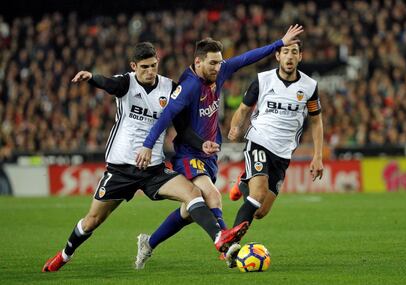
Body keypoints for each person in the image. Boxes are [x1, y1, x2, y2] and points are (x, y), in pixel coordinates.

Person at [42, 42, 249, 272]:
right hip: (121, 169)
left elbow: (183, 129)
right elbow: (109, 83)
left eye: (153, 66)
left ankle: (220, 238)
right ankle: (64, 255)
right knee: (92, 220)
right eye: (144, 67)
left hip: (153, 170)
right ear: (134, 66)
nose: (150, 71)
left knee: (193, 193)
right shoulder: (126, 82)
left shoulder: (170, 88)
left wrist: (202, 144)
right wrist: (91, 77)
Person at [134, 25, 304, 269]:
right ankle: (228, 248)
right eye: (212, 63)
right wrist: (147, 145)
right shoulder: (189, 86)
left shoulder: (219, 72)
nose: (217, 68)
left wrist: (279, 42)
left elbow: (247, 58)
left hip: (208, 155)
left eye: (219, 63)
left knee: (188, 211)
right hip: (188, 154)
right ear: (198, 61)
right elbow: (166, 115)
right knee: (212, 195)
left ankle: (149, 243)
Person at [225, 39, 324, 266]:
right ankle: (230, 247)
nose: (290, 56)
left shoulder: (309, 86)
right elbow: (243, 109)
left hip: (283, 154)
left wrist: (317, 156)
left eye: (294, 52)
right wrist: (235, 127)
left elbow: (316, 121)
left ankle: (243, 182)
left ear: (300, 57)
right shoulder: (263, 80)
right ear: (278, 56)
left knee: (260, 211)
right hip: (259, 141)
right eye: (285, 52)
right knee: (257, 194)